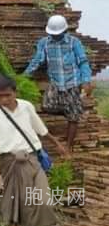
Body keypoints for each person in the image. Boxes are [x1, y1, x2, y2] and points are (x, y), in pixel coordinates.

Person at [0, 74, 67, 226]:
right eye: (0, 96)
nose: (4, 99)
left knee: (44, 201)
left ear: (15, 92)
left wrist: (57, 143)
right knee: (23, 206)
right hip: (10, 164)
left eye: (8, 95)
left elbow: (41, 129)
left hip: (33, 160)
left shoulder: (26, 107)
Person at [23, 15, 93, 153]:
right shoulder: (44, 43)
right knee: (46, 106)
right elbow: (37, 60)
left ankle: (68, 146)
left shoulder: (74, 43)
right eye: (52, 34)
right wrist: (24, 75)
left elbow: (83, 62)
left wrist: (86, 80)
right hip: (55, 83)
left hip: (72, 82)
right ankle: (73, 111)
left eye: (58, 34)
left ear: (64, 31)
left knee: (73, 117)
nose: (55, 36)